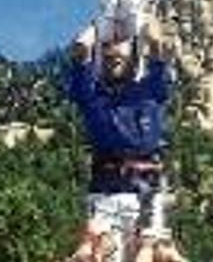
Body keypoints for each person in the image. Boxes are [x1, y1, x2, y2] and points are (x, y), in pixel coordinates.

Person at [65, 20, 186, 262]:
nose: (113, 53)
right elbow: (79, 53)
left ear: (133, 54)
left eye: (120, 48)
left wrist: (145, 26)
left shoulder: (150, 89)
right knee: (96, 255)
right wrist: (98, 27)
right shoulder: (92, 96)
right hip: (105, 194)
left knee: (152, 255)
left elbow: (158, 49)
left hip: (146, 191)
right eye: (107, 50)